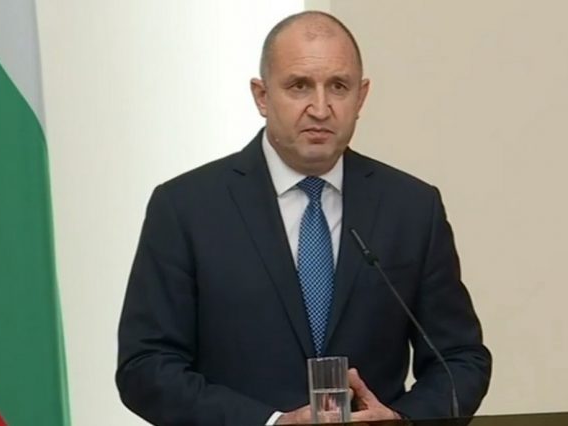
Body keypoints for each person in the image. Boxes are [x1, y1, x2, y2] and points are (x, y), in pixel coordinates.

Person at [116, 10, 491, 426]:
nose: (320, 108)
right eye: (299, 86)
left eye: (339, 87)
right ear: (261, 96)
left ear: (361, 97)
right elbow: (146, 367)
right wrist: (272, 422)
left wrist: (402, 420)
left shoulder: (411, 207)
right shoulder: (186, 207)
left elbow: (459, 358)